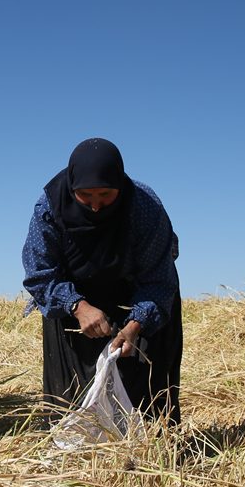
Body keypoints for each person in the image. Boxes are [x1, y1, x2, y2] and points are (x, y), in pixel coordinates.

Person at [22, 138, 183, 423]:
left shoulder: (143, 206)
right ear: (72, 189)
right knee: (73, 395)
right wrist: (78, 306)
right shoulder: (50, 207)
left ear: (119, 187)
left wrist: (136, 325)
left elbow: (159, 277)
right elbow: (40, 273)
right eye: (86, 196)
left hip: (138, 295)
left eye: (105, 195)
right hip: (71, 300)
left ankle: (146, 448)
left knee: (144, 392)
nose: (96, 206)